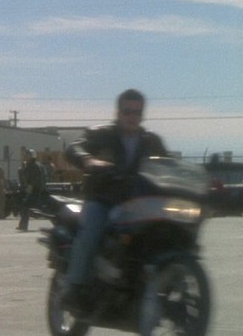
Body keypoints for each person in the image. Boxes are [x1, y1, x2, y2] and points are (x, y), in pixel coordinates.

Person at [61, 89, 167, 313]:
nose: (132, 117)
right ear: (118, 113)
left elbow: (169, 165)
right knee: (91, 232)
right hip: (103, 199)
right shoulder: (101, 134)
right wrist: (88, 160)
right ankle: (74, 288)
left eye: (137, 112)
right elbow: (73, 148)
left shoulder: (151, 141)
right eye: (127, 111)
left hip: (138, 202)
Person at [16, 149, 44, 231]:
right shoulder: (37, 165)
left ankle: (23, 225)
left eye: (27, 155)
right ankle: (23, 225)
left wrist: (29, 189)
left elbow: (30, 179)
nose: (25, 157)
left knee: (25, 206)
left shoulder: (31, 166)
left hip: (33, 188)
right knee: (27, 206)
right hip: (37, 188)